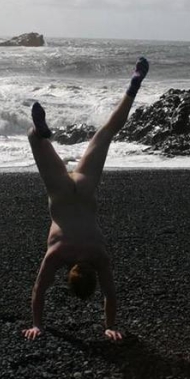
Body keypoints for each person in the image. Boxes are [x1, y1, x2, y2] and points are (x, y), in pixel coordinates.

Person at [22, 57, 149, 341]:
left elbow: (110, 295)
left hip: (84, 187)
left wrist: (111, 325)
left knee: (106, 132)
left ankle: (133, 86)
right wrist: (37, 324)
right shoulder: (57, 255)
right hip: (61, 193)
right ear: (69, 276)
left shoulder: (99, 256)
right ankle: (38, 133)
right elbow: (39, 290)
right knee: (34, 140)